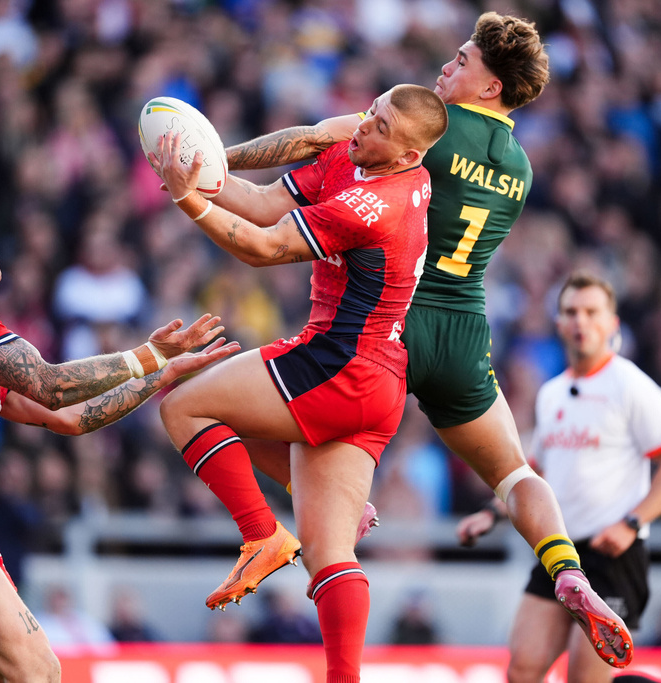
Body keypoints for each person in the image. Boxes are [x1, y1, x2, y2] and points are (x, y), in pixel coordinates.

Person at [220, 11, 633, 669]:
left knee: (252, 408)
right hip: (463, 335)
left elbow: (313, 141)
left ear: (491, 85)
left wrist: (214, 157)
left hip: (385, 324)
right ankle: (567, 568)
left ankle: (332, 510)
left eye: (463, 60)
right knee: (514, 471)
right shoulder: (521, 169)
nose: (447, 66)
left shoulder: (422, 128)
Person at [0, 206, 240, 683]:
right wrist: (147, 355)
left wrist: (161, 374)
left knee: (12, 679)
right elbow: (51, 385)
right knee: (40, 671)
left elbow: (70, 418)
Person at [148, 84, 448, 682]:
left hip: (335, 364)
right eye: (370, 113)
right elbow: (261, 202)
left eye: (381, 127)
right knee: (331, 553)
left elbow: (264, 246)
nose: (362, 128)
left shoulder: (376, 204)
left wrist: (189, 201)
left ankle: (261, 535)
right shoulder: (365, 155)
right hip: (379, 386)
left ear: (408, 156)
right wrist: (201, 170)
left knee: (183, 407)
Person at [457, 271, 661, 683]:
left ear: (611, 324)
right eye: (571, 312)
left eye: (591, 312)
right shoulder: (551, 394)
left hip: (613, 556)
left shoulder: (632, 386)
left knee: (586, 681)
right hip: (559, 554)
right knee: (522, 671)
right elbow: (535, 475)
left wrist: (632, 523)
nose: (580, 321)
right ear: (558, 324)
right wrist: (491, 513)